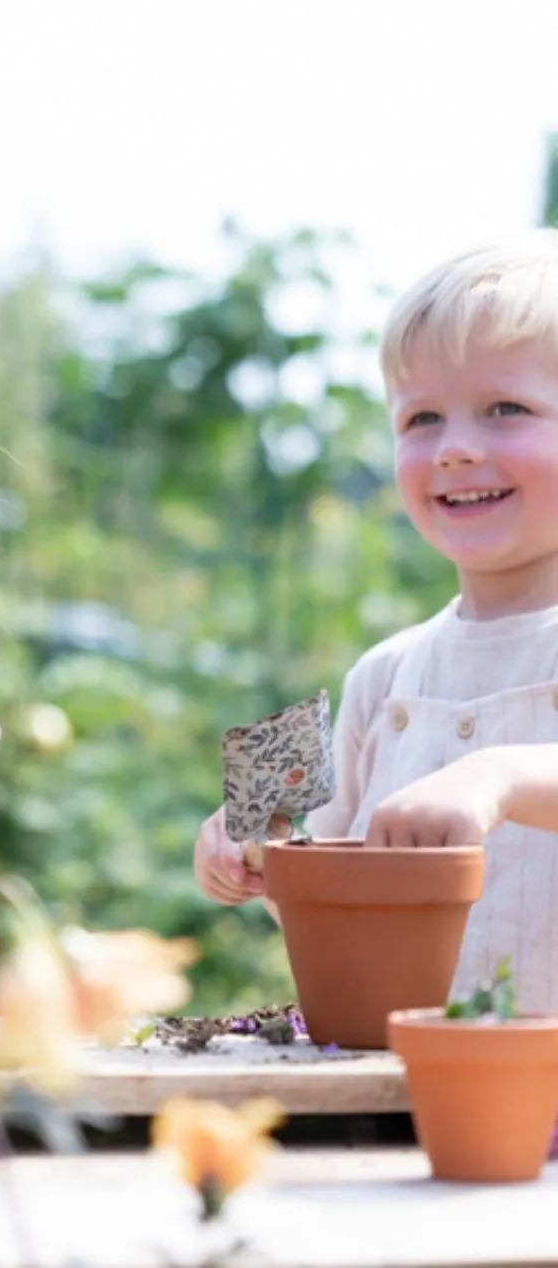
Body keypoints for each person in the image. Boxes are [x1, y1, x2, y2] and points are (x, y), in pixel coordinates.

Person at [194, 230, 558, 1012]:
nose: (456, 449)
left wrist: (499, 775)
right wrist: (256, 842)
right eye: (422, 418)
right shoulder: (386, 675)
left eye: (506, 409)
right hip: (406, 1092)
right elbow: (328, 887)